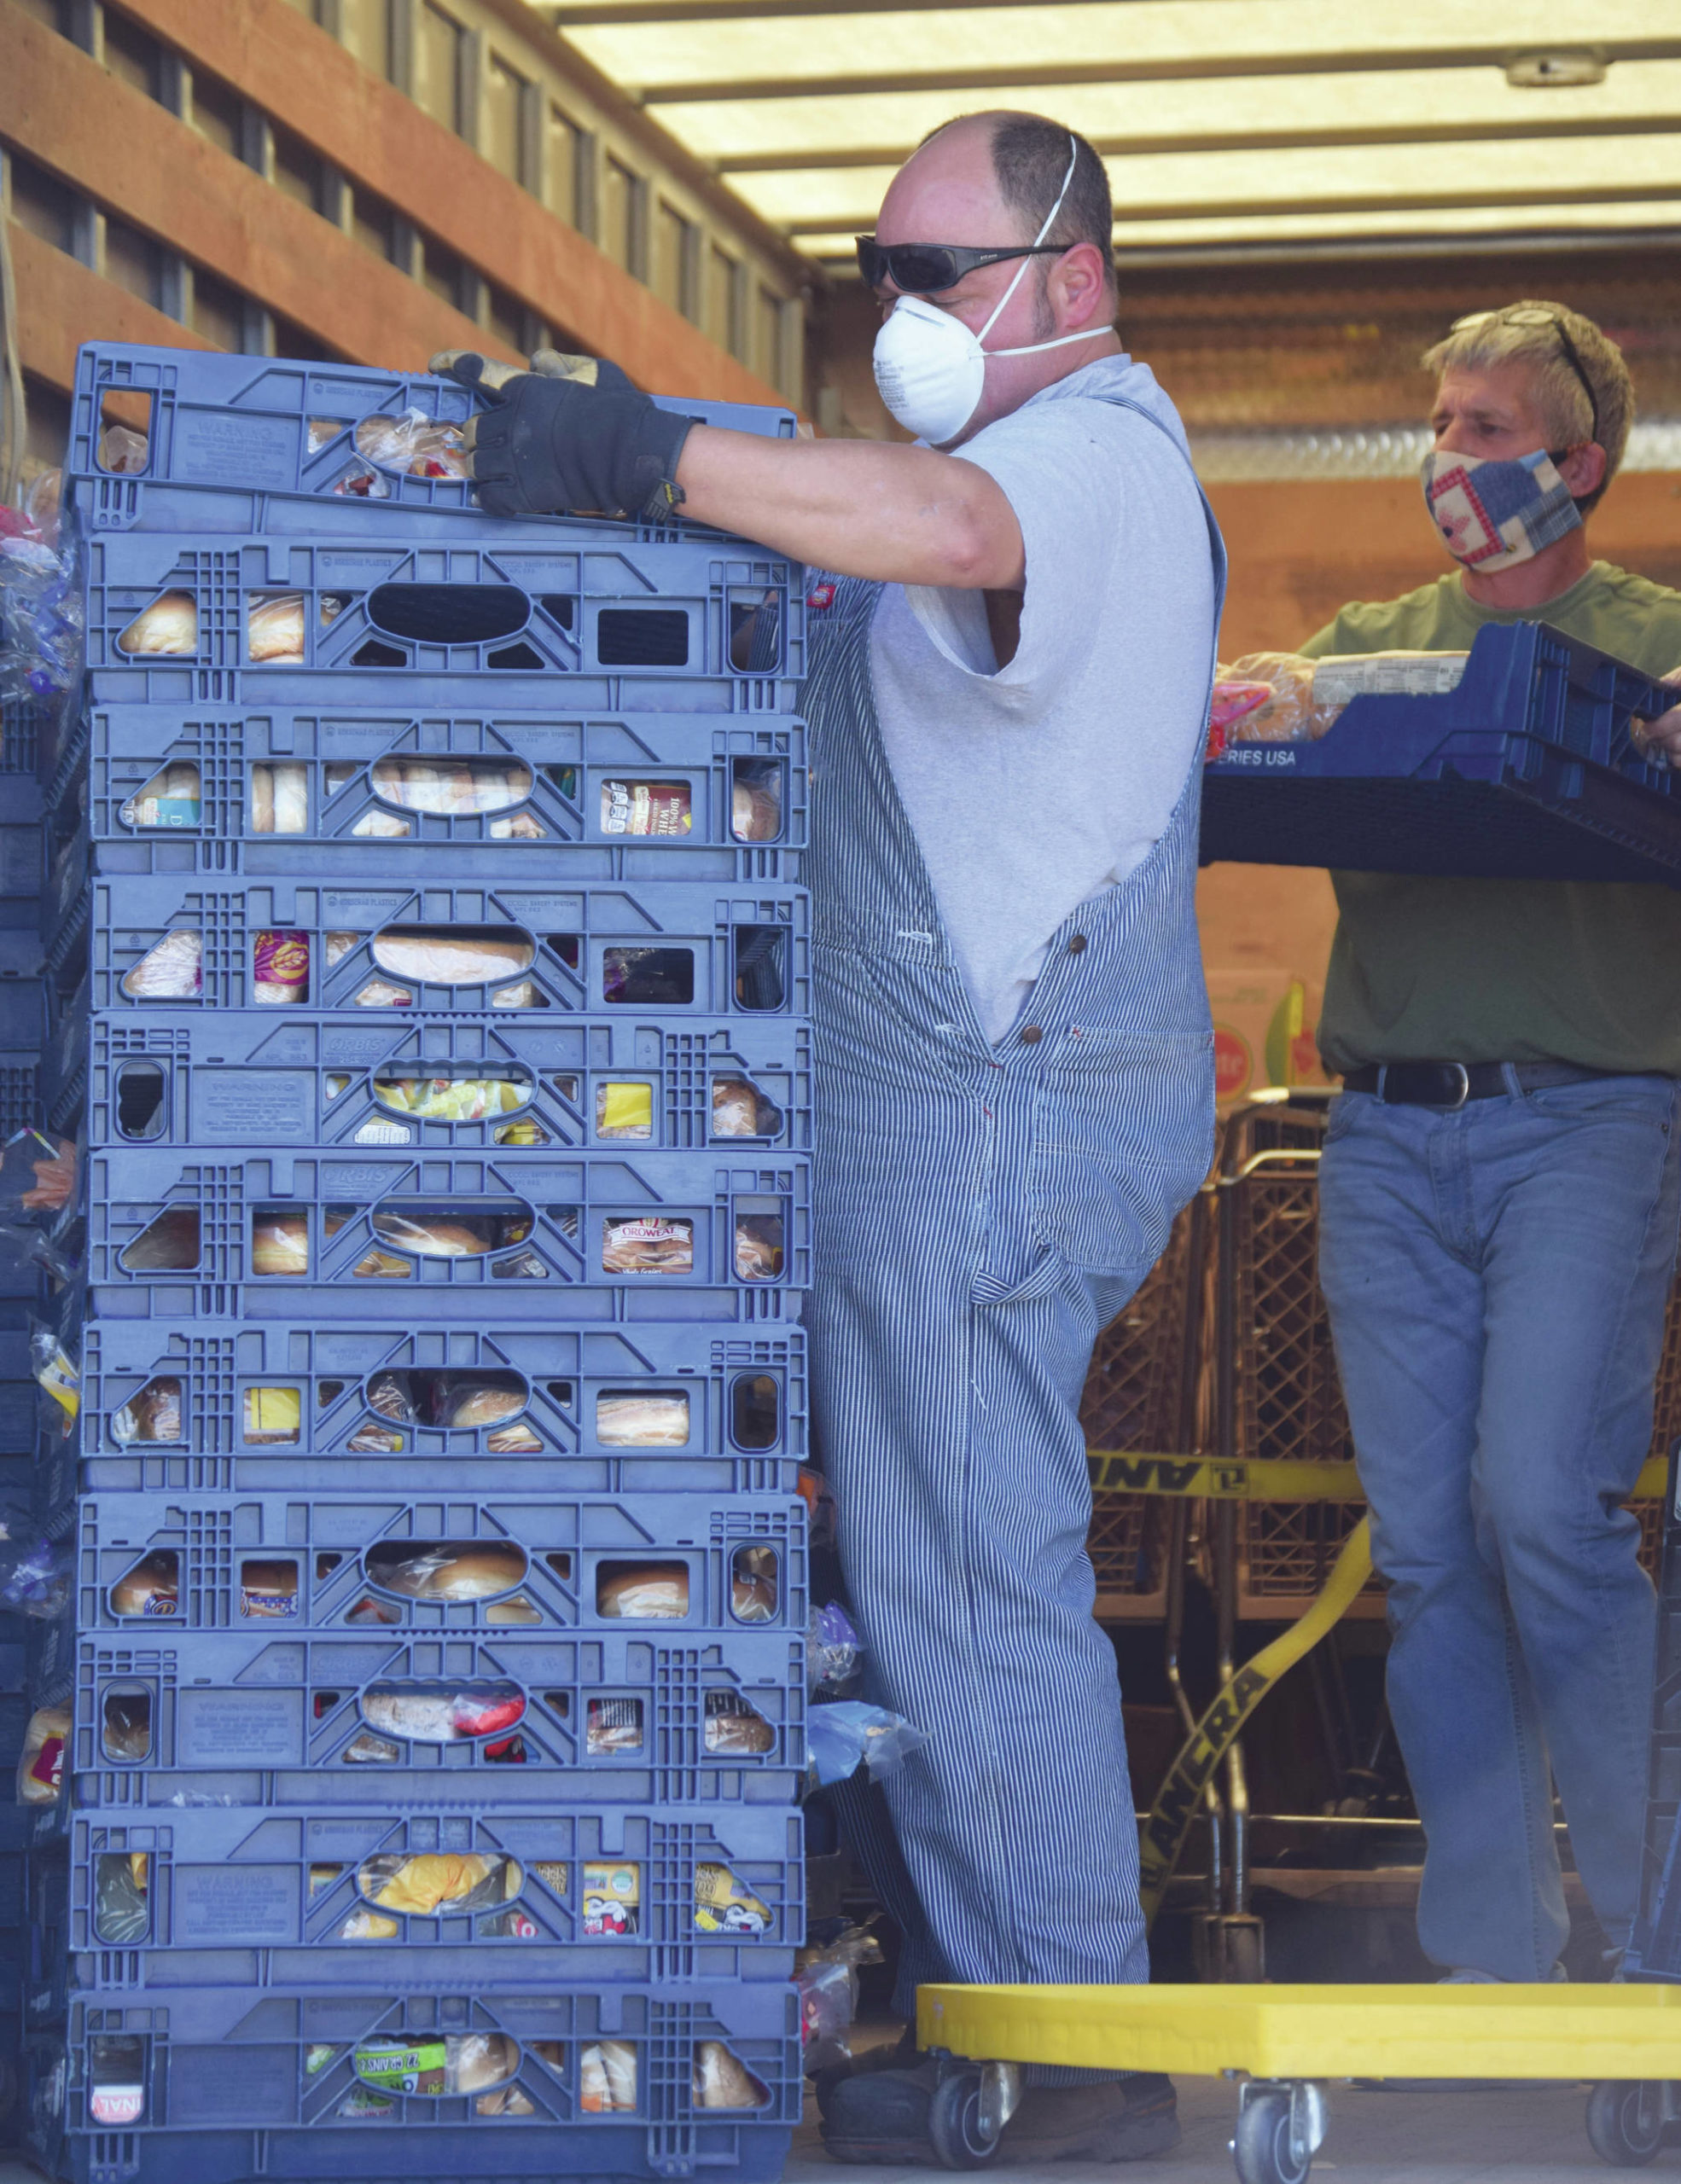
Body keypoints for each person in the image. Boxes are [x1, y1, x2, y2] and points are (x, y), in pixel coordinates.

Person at [433, 107, 1223, 2163]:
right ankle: (993, 2004)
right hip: (934, 1099)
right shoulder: (1022, 454)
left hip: (993, 1100)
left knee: (971, 1569)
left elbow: (948, 533)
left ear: (1066, 277)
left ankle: (1074, 2057)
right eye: (877, 271)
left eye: (932, 274)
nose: (898, 312)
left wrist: (650, 456)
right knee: (935, 1558)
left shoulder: (1094, 458)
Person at [1301, 301, 1681, 1984]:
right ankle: (1490, 1961)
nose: (1453, 458)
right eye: (1441, 425)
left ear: (1577, 463)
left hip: (1586, 1120)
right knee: (1432, 1549)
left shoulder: (1656, 653)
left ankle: (1657, 1942)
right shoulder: (1365, 643)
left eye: (1488, 428)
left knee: (1541, 1503)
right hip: (1381, 1135)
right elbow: (1258, 737)